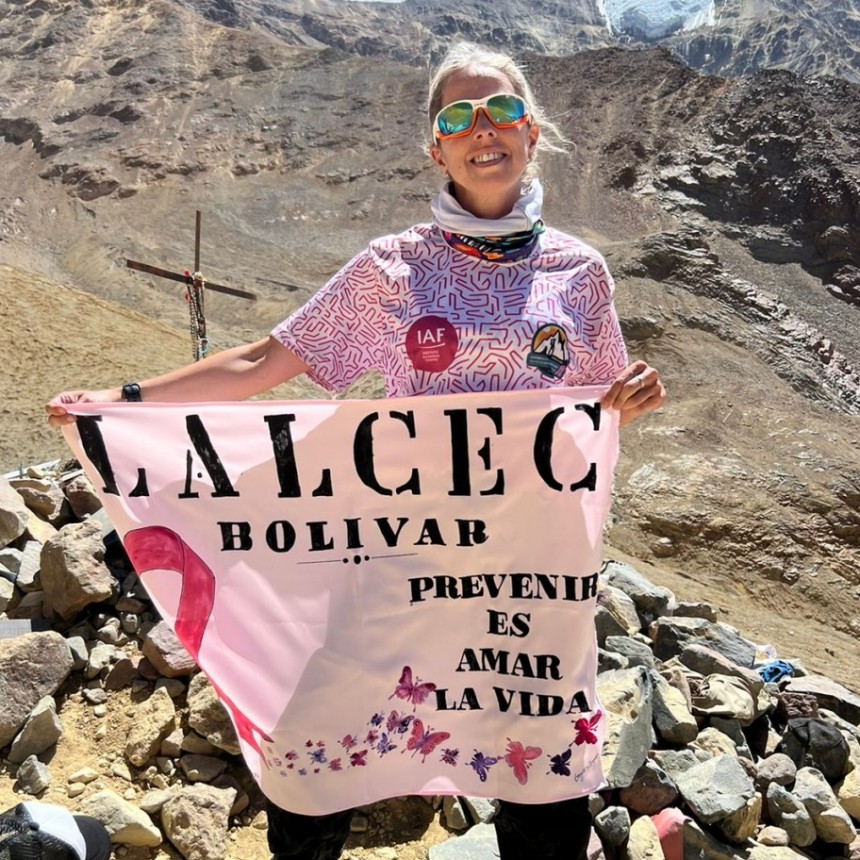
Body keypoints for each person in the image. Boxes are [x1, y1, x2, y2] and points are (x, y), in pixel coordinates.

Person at [48, 41, 666, 860]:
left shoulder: (579, 274)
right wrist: (124, 405)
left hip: (527, 580)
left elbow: (593, 405)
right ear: (435, 147)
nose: (485, 130)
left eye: (503, 111)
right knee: (317, 762)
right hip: (400, 559)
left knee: (544, 793)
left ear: (533, 133)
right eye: (459, 116)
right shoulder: (392, 269)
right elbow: (264, 361)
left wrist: (632, 396)